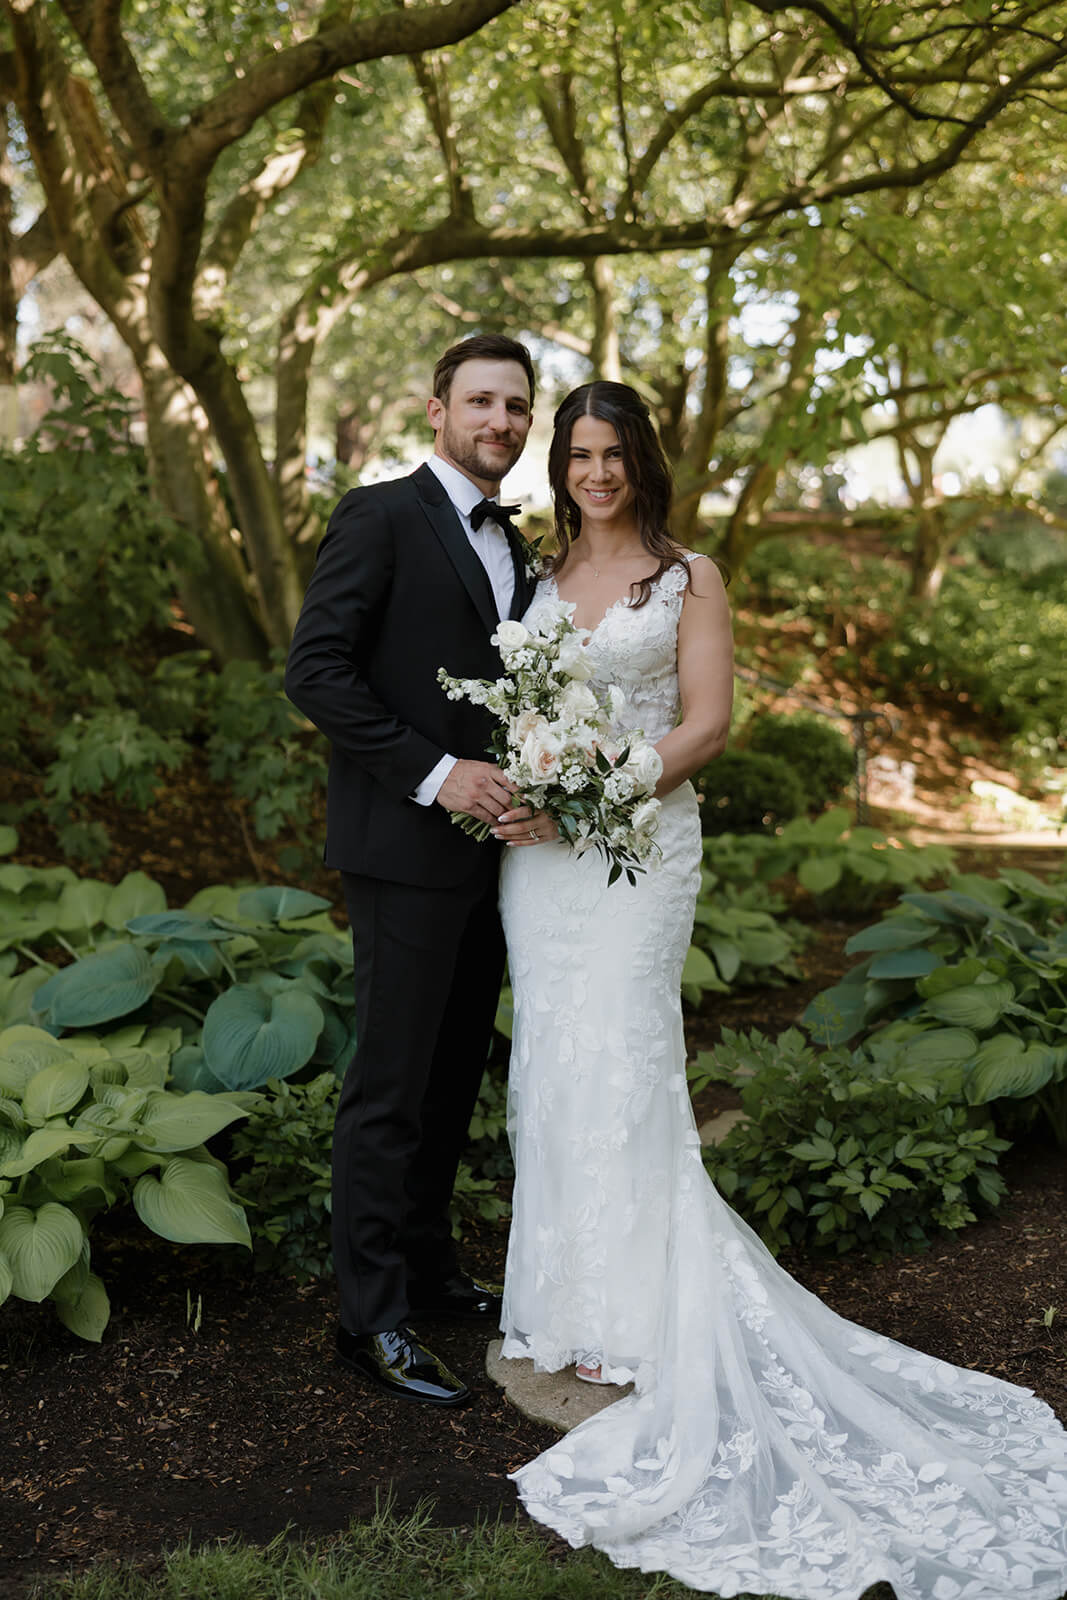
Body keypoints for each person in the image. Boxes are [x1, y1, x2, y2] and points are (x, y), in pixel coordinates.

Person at [497, 381, 1067, 1597]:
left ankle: (646, 1318)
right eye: (578, 454)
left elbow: (707, 728)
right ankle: (564, 1315)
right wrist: (527, 786)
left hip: (639, 852)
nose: (596, 473)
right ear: (561, 465)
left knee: (625, 1056)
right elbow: (526, 711)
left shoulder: (688, 576)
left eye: (614, 454)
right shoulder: (534, 579)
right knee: (553, 1060)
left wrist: (591, 795)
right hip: (538, 869)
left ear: (643, 460)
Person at [285, 334, 554, 1409]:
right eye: (480, 400)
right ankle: (370, 1317)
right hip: (402, 847)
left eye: (514, 404)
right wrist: (436, 774)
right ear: (435, 408)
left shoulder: (519, 548)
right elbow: (316, 669)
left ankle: (431, 1271)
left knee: (450, 1081)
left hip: (495, 858)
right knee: (390, 1088)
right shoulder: (380, 514)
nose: (499, 419)